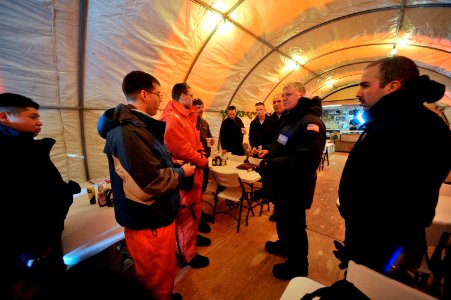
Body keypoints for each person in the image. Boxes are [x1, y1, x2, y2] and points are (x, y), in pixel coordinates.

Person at [337, 56, 451, 284]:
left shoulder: (416, 127)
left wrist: (396, 252)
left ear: (392, 86)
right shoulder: (388, 119)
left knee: (371, 290)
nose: (358, 93)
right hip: (368, 238)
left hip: (383, 246)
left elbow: (411, 199)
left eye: (365, 85)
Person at [97, 71, 195, 300]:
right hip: (149, 219)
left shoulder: (136, 126)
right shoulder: (129, 132)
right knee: (155, 277)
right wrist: (182, 173)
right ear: (143, 94)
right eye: (158, 94)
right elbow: (150, 182)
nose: (161, 100)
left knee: (161, 271)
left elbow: (147, 167)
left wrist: (171, 163)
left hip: (153, 217)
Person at [0, 93, 81, 299]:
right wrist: (35, 249)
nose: (39, 122)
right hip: (33, 250)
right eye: (32, 117)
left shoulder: (27, 148)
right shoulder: (14, 154)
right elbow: (19, 207)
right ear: (4, 117)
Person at [257, 82, 326, 280]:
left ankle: (298, 265)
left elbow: (306, 159)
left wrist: (271, 165)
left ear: (302, 95)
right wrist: (270, 151)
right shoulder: (292, 118)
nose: (284, 98)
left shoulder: (310, 122)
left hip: (295, 185)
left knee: (295, 224)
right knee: (283, 218)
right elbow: (284, 143)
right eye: (282, 95)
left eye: (289, 94)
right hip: (282, 182)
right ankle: (284, 244)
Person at [160, 83, 210, 269]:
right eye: (191, 95)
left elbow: (196, 141)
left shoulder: (187, 116)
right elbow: (181, 149)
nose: (193, 98)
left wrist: (203, 154)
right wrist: (202, 161)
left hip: (194, 170)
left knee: (194, 211)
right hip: (186, 173)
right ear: (182, 96)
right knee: (186, 215)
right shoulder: (172, 118)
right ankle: (187, 255)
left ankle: (192, 241)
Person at [192, 98, 214, 234]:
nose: (200, 109)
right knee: (195, 191)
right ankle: (196, 219)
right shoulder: (189, 122)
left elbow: (210, 138)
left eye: (202, 106)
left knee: (203, 188)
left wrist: (211, 142)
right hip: (195, 162)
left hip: (205, 160)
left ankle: (200, 212)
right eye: (198, 107)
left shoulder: (205, 123)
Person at [267, 94, 287, 222]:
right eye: (274, 102)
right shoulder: (270, 119)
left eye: (278, 101)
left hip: (284, 158)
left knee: (284, 188)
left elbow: (286, 138)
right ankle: (276, 211)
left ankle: (283, 213)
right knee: (274, 186)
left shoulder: (289, 117)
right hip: (272, 156)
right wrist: (267, 149)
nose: (276, 104)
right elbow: (268, 137)